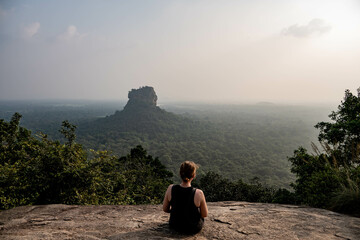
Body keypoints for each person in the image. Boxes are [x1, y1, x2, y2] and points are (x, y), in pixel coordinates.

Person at [163, 161, 208, 234]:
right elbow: (204, 214)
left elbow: (165, 209)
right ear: (193, 175)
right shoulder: (198, 193)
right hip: (192, 228)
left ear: (180, 174)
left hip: (175, 226)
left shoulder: (170, 188)